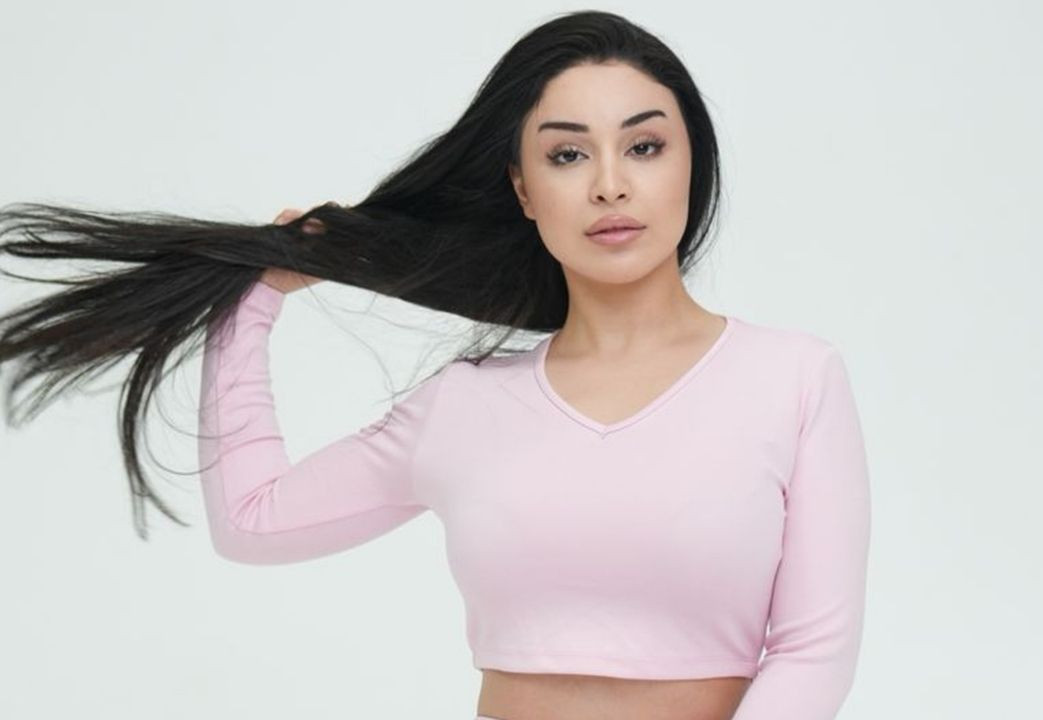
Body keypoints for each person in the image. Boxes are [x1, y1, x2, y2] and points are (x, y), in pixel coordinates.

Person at [0, 10, 870, 720]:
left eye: (644, 146)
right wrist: (251, 301)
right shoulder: (465, 405)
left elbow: (814, 651)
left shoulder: (792, 379)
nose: (610, 184)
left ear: (692, 162)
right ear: (524, 189)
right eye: (567, 154)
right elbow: (253, 523)